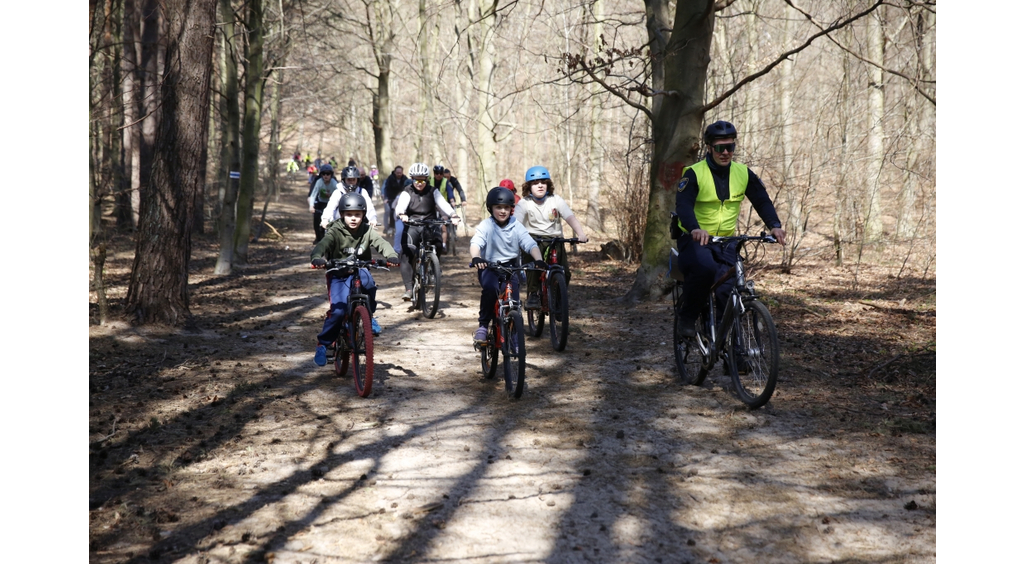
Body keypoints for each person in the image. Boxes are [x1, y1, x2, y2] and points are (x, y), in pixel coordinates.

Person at [673, 119, 787, 338]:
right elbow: (684, 205)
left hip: (726, 242)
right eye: (719, 148)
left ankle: (733, 352)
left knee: (730, 288)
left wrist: (774, 226)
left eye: (730, 147)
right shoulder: (694, 173)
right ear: (709, 148)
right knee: (705, 269)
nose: (725, 152)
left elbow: (762, 201)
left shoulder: (743, 173)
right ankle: (687, 317)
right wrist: (695, 228)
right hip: (695, 239)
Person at [310, 192, 400, 365]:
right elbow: (323, 244)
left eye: (357, 215)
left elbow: (381, 243)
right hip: (338, 273)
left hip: (360, 269)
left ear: (363, 215)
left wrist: (391, 255)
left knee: (370, 286)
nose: (353, 218)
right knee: (338, 311)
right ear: (342, 214)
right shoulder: (335, 230)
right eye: (349, 214)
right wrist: (317, 257)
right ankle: (323, 344)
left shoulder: (367, 230)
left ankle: (369, 316)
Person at [470, 187, 545, 343]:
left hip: (511, 268)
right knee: (490, 290)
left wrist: (538, 259)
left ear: (511, 209)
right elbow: (476, 243)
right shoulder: (486, 225)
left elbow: (529, 244)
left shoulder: (516, 225)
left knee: (514, 304)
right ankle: (483, 326)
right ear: (490, 208)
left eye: (506, 207)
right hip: (489, 267)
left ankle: (515, 338)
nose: (502, 211)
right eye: (498, 207)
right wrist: (476, 257)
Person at [513, 165, 589, 310]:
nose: (540, 185)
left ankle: (560, 300)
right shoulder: (524, 203)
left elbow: (570, 217)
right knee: (534, 268)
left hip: (555, 240)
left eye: (543, 182)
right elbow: (516, 224)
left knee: (565, 272)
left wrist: (581, 234)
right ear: (529, 187)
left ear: (548, 184)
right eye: (535, 183)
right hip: (533, 239)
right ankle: (533, 294)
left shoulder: (556, 200)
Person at [393, 162, 461, 301]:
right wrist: (402, 214)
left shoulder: (433, 191)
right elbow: (400, 206)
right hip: (412, 224)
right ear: (412, 178)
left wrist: (453, 215)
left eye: (422, 179)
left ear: (426, 179)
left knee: (438, 244)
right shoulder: (407, 191)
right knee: (406, 254)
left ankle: (433, 267)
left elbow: (443, 204)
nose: (419, 182)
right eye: (416, 179)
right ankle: (409, 288)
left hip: (430, 224)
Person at [307, 164, 339, 243]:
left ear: (331, 175)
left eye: (328, 174)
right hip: (320, 203)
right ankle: (318, 238)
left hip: (331, 204)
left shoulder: (334, 183)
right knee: (316, 220)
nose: (326, 176)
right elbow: (313, 194)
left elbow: (340, 194)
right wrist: (311, 206)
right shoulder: (319, 182)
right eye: (323, 174)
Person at [382, 165, 411, 237]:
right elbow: (386, 189)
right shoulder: (390, 178)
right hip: (391, 197)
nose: (399, 174)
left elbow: (407, 188)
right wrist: (386, 198)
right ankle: (390, 227)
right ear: (395, 172)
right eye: (397, 173)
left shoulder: (405, 179)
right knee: (390, 210)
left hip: (401, 197)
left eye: (400, 173)